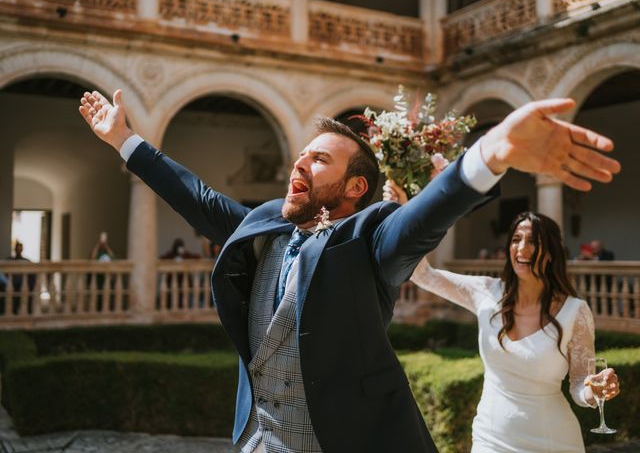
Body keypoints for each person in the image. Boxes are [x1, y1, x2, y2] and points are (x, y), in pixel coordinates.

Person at [79, 89, 620, 453]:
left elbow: (420, 223)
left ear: (355, 188)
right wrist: (124, 140)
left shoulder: (371, 236)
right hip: (256, 440)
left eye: (319, 160)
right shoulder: (263, 227)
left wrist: (490, 155)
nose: (299, 163)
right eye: (302, 155)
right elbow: (193, 195)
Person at [388, 187, 621, 452]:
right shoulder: (486, 291)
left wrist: (594, 390)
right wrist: (406, 215)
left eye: (533, 240)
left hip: (553, 439)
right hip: (491, 437)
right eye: (516, 239)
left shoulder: (575, 311)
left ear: (552, 250)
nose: (522, 248)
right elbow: (423, 275)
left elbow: (580, 385)